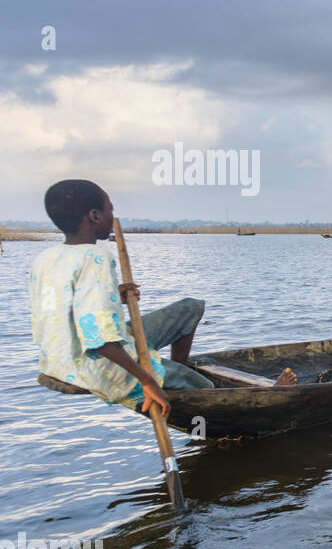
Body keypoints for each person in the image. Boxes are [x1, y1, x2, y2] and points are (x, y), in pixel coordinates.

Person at [29, 180, 295, 420]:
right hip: (95, 365)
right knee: (207, 389)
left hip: (59, 360)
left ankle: (175, 373)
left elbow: (60, 309)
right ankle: (256, 398)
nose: (113, 216)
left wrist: (112, 295)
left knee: (190, 308)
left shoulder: (46, 259)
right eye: (110, 209)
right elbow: (101, 340)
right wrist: (147, 381)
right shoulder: (96, 259)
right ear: (94, 216)